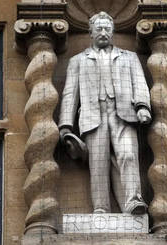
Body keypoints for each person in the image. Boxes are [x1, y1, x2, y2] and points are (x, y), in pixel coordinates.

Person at [58, 11, 151, 215]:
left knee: (128, 154)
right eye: (98, 29)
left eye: (107, 29)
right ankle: (101, 208)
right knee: (98, 164)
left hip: (124, 114)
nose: (103, 32)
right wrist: (65, 126)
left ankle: (134, 200)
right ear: (90, 32)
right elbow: (69, 94)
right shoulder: (78, 60)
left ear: (113, 32)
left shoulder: (130, 57)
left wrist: (143, 107)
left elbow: (140, 84)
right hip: (93, 116)